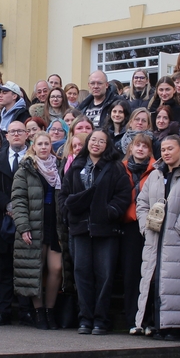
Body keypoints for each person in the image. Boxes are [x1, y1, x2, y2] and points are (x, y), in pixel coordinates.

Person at [134, 135, 180, 337]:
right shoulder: (155, 175)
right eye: (163, 149)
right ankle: (153, 323)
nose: (165, 153)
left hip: (179, 241)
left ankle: (177, 327)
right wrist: (145, 227)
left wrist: (177, 228)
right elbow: (142, 203)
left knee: (177, 284)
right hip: (154, 239)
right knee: (154, 280)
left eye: (170, 149)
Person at [61, 129, 131, 335]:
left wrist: (111, 211)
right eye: (93, 140)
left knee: (105, 275)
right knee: (81, 274)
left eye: (101, 141)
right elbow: (64, 194)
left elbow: (124, 195)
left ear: (107, 145)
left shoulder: (116, 168)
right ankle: (85, 318)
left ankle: (101, 319)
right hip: (80, 229)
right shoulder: (76, 166)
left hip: (106, 230)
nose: (96, 144)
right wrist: (67, 213)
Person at [11, 131, 64, 329]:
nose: (43, 147)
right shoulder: (25, 169)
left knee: (56, 269)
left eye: (46, 144)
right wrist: (23, 226)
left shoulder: (59, 166)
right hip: (33, 224)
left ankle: (50, 310)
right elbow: (18, 200)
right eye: (39, 144)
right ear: (33, 146)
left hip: (54, 224)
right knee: (36, 268)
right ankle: (39, 311)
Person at [0, 121, 30, 326]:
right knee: (4, 269)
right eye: (12, 132)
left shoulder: (35, 158)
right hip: (2, 220)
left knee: (26, 269)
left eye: (20, 131)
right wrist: (8, 206)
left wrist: (20, 210)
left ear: (27, 134)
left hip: (29, 221)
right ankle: (4, 311)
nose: (16, 135)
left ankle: (26, 311)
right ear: (7, 136)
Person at [119, 133, 155, 333]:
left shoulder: (157, 170)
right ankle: (133, 319)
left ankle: (148, 319)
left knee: (150, 273)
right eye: (137, 145)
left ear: (150, 150)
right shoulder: (121, 169)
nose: (140, 149)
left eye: (145, 146)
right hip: (129, 225)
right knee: (131, 274)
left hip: (150, 225)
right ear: (130, 148)